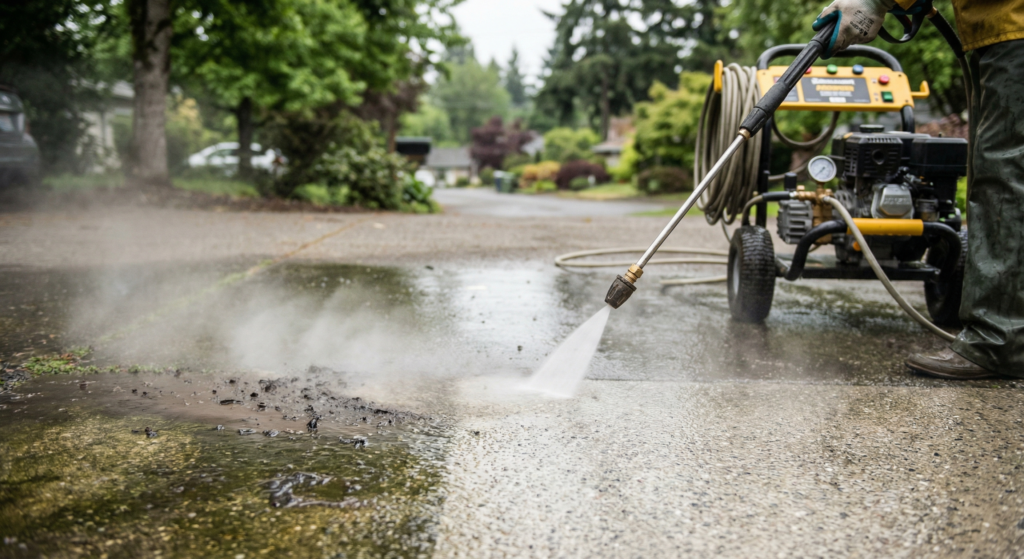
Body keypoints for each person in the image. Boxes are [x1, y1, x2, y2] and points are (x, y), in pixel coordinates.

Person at [813, 0, 1024, 379]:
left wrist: (877, 1)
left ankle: (999, 341)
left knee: (1002, 172)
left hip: (1012, 27)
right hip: (998, 28)